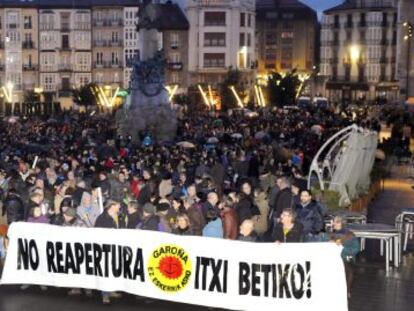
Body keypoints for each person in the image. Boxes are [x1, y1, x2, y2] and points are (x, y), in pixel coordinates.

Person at [94, 200, 122, 304]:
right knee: (106, 271)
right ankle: (105, 294)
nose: (120, 206)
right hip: (105, 249)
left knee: (114, 270)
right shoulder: (102, 218)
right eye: (118, 204)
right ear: (112, 206)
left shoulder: (119, 216)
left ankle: (112, 290)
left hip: (116, 247)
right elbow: (97, 233)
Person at [327, 216, 360, 298]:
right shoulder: (329, 234)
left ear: (341, 223)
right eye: (333, 222)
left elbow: (355, 249)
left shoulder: (350, 235)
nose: (333, 223)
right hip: (330, 258)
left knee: (346, 266)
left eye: (336, 222)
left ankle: (346, 290)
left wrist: (341, 248)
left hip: (345, 258)